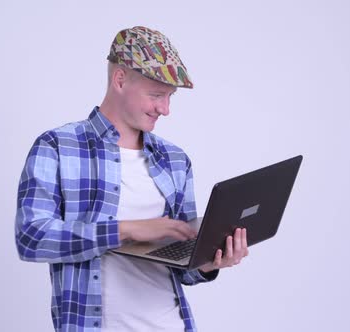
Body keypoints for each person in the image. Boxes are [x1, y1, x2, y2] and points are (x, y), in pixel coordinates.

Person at [15, 26, 249, 332]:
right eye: (156, 94)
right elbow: (31, 238)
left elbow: (184, 269)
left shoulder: (175, 161)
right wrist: (126, 230)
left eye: (170, 97)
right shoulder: (57, 147)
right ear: (120, 80)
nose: (165, 109)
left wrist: (210, 262)